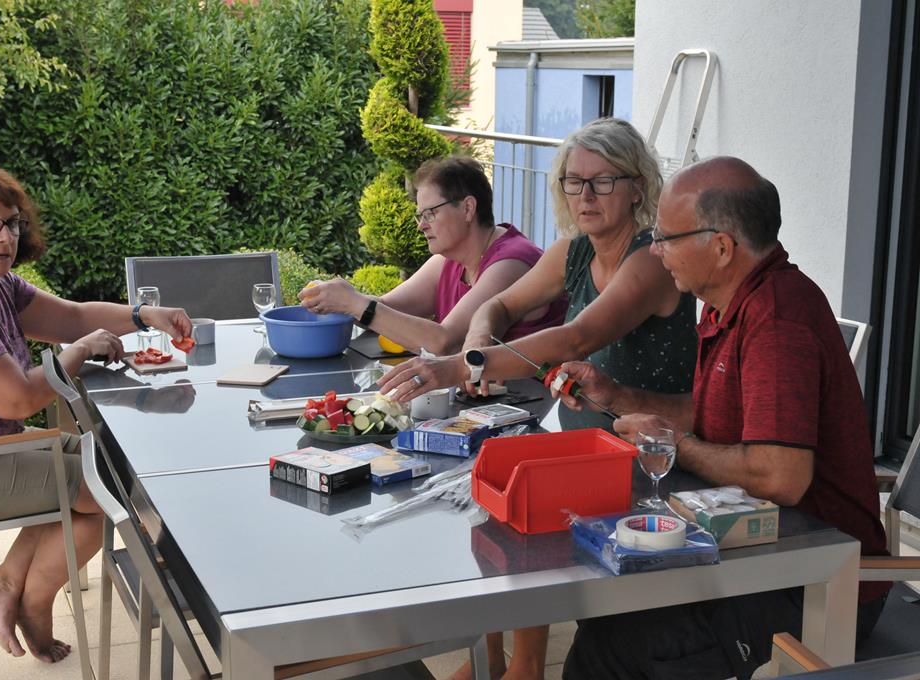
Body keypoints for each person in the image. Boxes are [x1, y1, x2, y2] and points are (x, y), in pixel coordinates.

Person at [379, 118, 699, 680]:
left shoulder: (652, 260)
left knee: (521, 493)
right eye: (574, 182)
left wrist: (460, 365)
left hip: (652, 451)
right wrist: (481, 334)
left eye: (603, 181)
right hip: (586, 433)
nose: (585, 195)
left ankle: (524, 665)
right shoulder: (573, 251)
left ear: (637, 188)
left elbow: (577, 338)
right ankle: (503, 658)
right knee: (498, 481)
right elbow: (498, 306)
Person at [551, 156, 889, 679]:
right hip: (761, 556)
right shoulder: (725, 302)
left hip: (817, 583)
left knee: (619, 646)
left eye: (666, 238)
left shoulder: (777, 321)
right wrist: (614, 394)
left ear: (722, 247)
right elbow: (714, 413)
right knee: (607, 612)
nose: (656, 251)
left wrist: (672, 445)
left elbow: (782, 476)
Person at [0, 162, 192, 664]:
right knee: (106, 488)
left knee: (112, 467)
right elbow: (15, 400)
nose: (5, 235)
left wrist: (144, 316)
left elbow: (71, 317)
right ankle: (32, 600)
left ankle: (7, 581)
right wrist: (74, 354)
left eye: (12, 223)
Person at [298, 156, 566, 355]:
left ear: (468, 209)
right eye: (420, 215)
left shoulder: (511, 263)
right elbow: (384, 310)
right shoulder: (447, 262)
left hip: (531, 409)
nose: (421, 225)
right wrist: (335, 298)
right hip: (483, 402)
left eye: (430, 213)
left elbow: (444, 341)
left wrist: (355, 303)